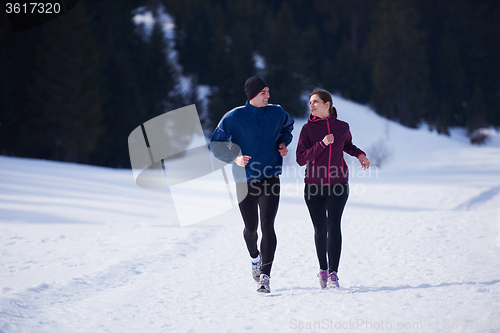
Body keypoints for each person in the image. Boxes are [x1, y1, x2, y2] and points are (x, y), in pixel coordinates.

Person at [210, 76, 294, 293]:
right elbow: (216, 144)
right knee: (251, 229)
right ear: (253, 95)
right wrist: (234, 157)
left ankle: (265, 276)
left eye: (268, 91)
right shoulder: (234, 116)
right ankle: (254, 258)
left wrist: (283, 143)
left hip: (270, 174)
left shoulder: (277, 112)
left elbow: (288, 127)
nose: (268, 96)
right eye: (264, 92)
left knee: (268, 224)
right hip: (243, 179)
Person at [296, 89, 370, 289]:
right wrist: (321, 144)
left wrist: (360, 155)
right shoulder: (307, 129)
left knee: (333, 225)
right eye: (310, 102)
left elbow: (348, 145)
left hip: (338, 184)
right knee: (320, 228)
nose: (311, 105)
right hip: (313, 186)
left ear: (327, 104)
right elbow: (300, 158)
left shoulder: (342, 127)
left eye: (316, 102)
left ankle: (334, 273)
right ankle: (323, 269)